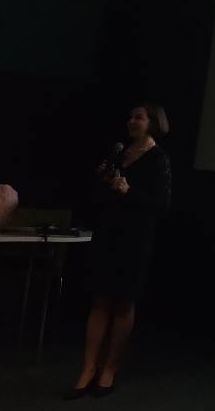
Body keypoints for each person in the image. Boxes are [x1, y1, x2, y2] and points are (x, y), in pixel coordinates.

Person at [65, 103, 171, 399]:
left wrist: (129, 191)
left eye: (139, 117)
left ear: (153, 123)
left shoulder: (159, 159)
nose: (131, 121)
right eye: (130, 117)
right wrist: (103, 180)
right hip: (108, 234)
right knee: (99, 301)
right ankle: (88, 369)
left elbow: (162, 204)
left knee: (123, 303)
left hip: (135, 240)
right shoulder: (119, 153)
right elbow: (96, 197)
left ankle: (109, 370)